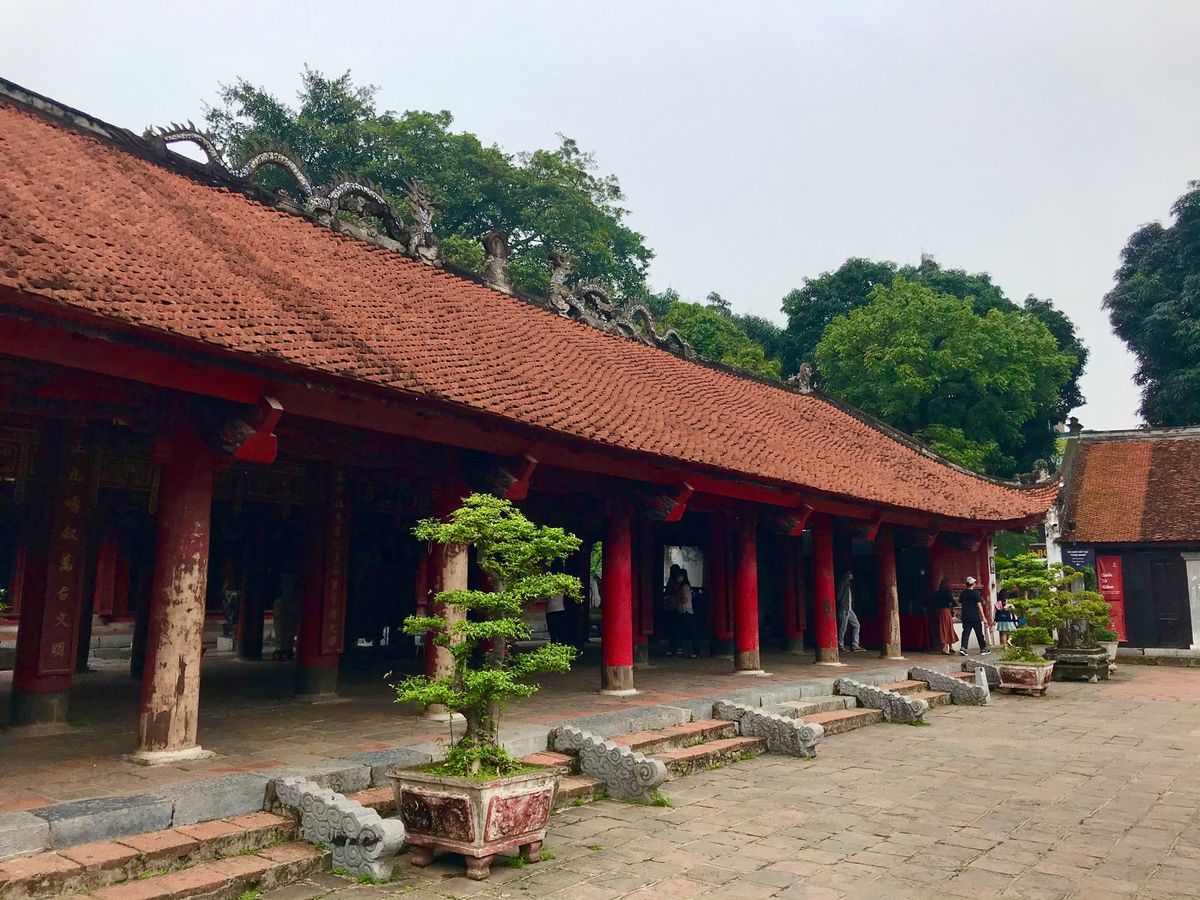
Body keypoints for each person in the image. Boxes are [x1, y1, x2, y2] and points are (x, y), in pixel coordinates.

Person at [664, 565, 698, 658]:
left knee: (690, 632)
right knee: (678, 631)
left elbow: (685, 599)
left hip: (686, 611)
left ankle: (695, 651)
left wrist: (675, 601)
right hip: (679, 610)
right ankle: (676, 649)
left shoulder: (685, 586)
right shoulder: (676, 585)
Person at [958, 575, 990, 656]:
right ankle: (983, 649)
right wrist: (984, 617)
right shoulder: (976, 593)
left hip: (965, 616)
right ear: (973, 584)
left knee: (965, 632)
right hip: (975, 616)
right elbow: (979, 605)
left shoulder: (963, 593)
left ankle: (963, 648)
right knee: (979, 632)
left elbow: (961, 605)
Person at [836, 570, 864, 652]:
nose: (850, 575)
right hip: (844, 609)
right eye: (848, 574)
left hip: (849, 609)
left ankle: (855, 645)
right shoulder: (842, 584)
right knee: (842, 628)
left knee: (857, 625)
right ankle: (840, 645)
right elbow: (838, 596)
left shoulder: (849, 585)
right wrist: (841, 605)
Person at [931, 578, 957, 654]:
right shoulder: (948, 594)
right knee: (948, 628)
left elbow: (933, 603)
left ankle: (948, 647)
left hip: (939, 612)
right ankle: (947, 647)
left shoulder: (937, 594)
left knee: (944, 628)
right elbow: (955, 603)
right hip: (946, 612)